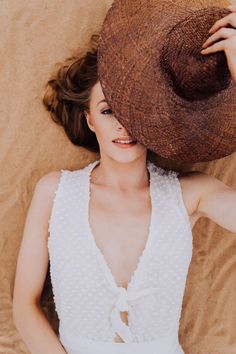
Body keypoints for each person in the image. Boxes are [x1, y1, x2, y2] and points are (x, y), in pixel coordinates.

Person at [12, 6, 236, 354]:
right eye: (107, 111)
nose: (123, 124)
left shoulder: (190, 194)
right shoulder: (55, 192)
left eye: (133, 111)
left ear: (153, 117)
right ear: (88, 120)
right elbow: (24, 306)